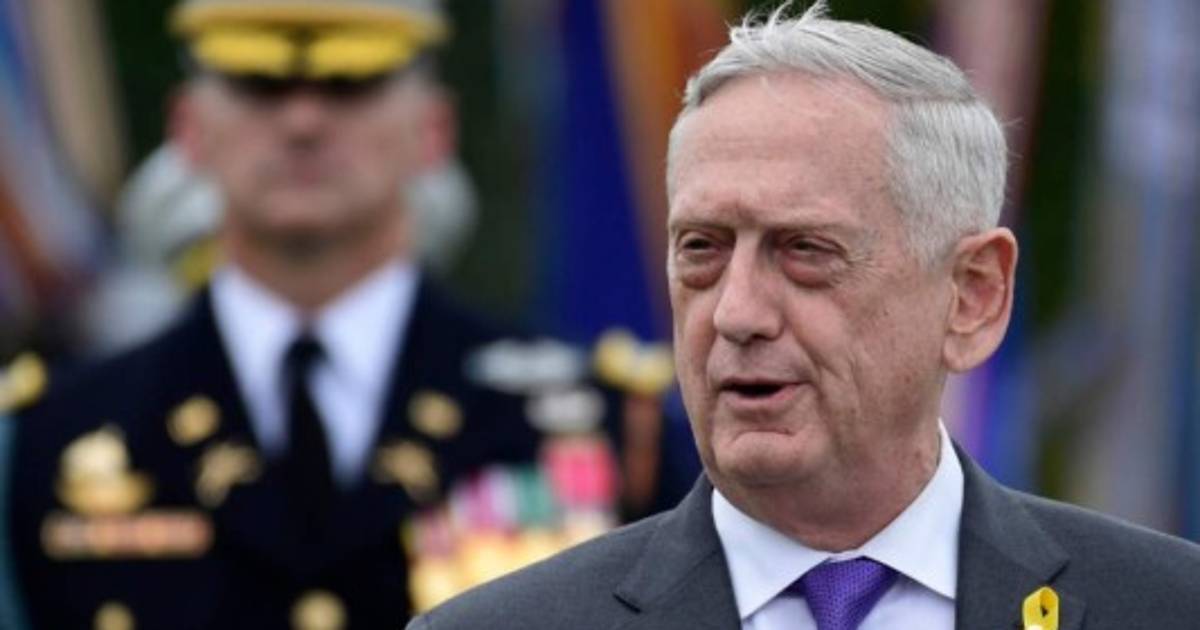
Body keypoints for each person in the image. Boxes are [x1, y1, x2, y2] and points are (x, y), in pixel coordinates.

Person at [406, 2, 1200, 629]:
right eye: (702, 249)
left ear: (972, 296)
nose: (736, 314)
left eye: (806, 250)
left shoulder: (1166, 607)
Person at [6, 1, 618, 628]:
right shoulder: (52, 438)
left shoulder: (596, 424)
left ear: (434, 130)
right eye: (258, 86)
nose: (303, 122)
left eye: (351, 86)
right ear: (187, 128)